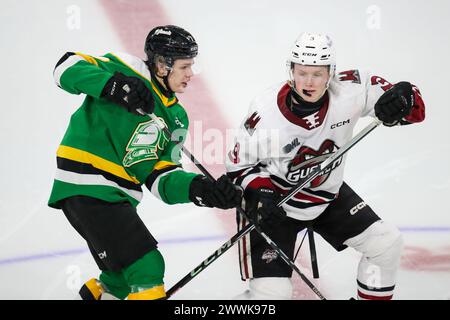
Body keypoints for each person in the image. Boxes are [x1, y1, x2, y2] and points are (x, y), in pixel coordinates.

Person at [225, 32, 425, 300]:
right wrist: (263, 195)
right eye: (302, 72)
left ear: (331, 72)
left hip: (325, 194)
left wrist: (406, 97)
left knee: (386, 244)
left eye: (317, 74)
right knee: (272, 295)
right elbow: (238, 167)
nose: (308, 82)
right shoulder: (265, 113)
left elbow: (415, 111)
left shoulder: (352, 89)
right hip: (275, 204)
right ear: (291, 70)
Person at [48, 25, 241, 300]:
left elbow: (161, 179)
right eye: (185, 67)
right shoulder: (126, 67)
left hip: (115, 197)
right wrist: (113, 85)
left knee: (119, 281)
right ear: (162, 65)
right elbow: (64, 68)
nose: (191, 74)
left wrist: (201, 190)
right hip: (87, 186)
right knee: (147, 267)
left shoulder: (177, 117)